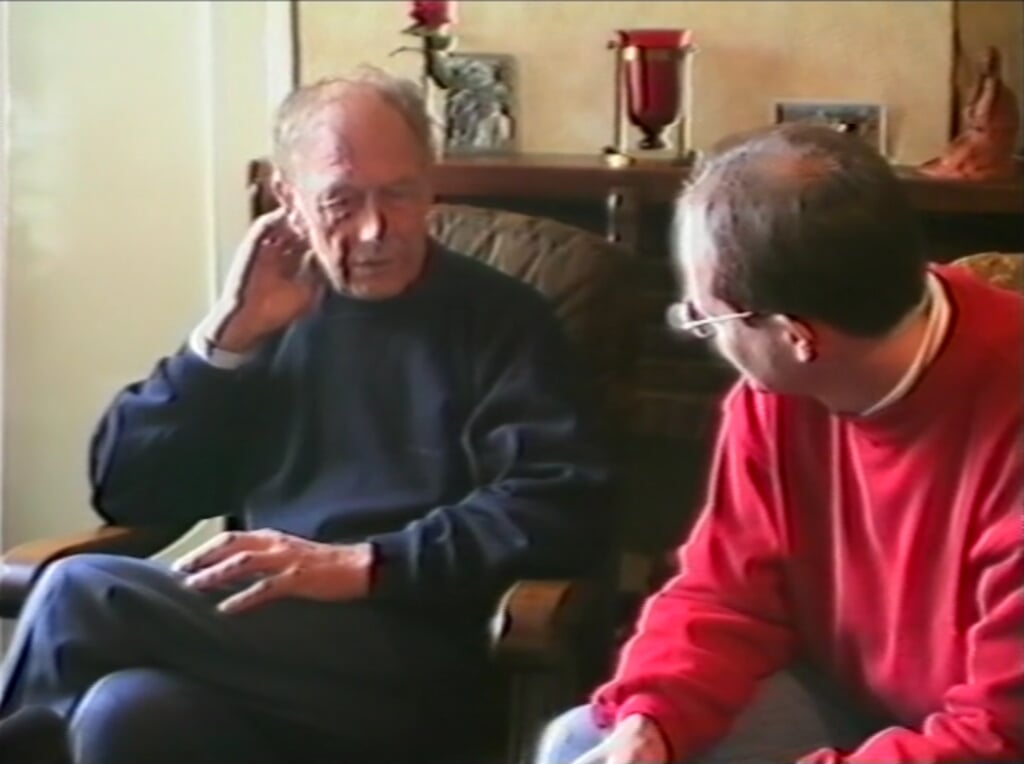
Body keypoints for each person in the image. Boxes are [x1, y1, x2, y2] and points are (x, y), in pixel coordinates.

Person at [0, 66, 612, 764]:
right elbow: (131, 490)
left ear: (431, 184)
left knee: (82, 592)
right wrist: (225, 342)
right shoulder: (273, 314)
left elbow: (557, 508)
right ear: (288, 199)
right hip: (254, 643)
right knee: (125, 711)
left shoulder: (503, 323)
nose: (377, 228)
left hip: (414, 654)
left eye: (399, 195)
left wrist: (367, 563)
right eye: (342, 201)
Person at [535, 123, 1023, 764]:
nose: (699, 330)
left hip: (985, 735)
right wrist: (651, 721)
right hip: (844, 693)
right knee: (585, 743)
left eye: (706, 316)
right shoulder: (778, 391)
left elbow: (998, 737)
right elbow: (725, 590)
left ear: (797, 336)